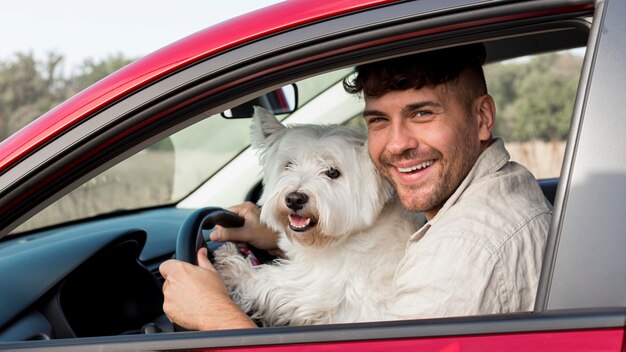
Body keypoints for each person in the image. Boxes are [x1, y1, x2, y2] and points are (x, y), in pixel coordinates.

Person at [159, 43, 552, 330]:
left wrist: (216, 317)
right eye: (379, 120)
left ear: (482, 117)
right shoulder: (494, 190)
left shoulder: (463, 256)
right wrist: (279, 235)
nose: (397, 144)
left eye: (422, 113)